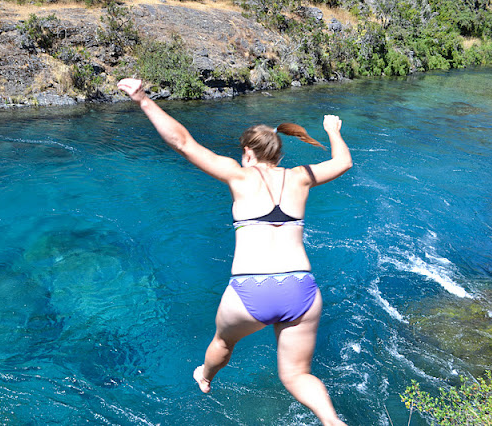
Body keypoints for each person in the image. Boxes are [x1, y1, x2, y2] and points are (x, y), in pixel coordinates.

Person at [117, 78, 352, 426]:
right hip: (300, 289)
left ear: (247, 152)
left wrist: (143, 100)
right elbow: (343, 162)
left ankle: (205, 376)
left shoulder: (238, 175)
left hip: (250, 290)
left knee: (223, 344)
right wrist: (332, 131)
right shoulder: (301, 177)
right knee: (296, 375)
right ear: (279, 154)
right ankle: (332, 421)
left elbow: (182, 142)